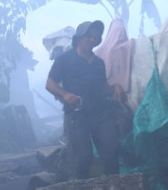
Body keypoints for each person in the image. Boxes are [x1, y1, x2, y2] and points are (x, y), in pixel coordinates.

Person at [45, 20, 121, 179]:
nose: (92, 39)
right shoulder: (64, 60)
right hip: (77, 115)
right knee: (84, 156)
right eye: (88, 36)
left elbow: (102, 87)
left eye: (95, 37)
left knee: (111, 151)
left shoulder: (99, 63)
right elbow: (50, 84)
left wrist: (115, 87)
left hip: (100, 114)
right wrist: (65, 94)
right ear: (79, 37)